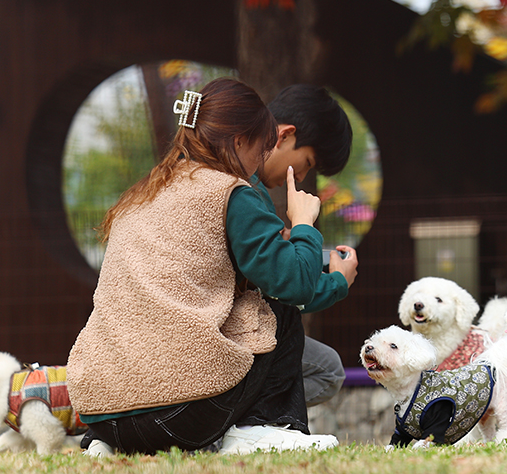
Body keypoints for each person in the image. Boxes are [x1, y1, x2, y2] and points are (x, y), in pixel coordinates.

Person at [67, 78, 351, 455]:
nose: (259, 162)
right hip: (181, 409)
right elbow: (291, 283)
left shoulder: (145, 191)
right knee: (273, 308)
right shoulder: (233, 193)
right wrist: (304, 226)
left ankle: (107, 445)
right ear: (238, 142)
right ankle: (263, 427)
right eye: (259, 147)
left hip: (104, 413)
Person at [258, 84, 359, 408]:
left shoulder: (249, 189)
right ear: (284, 135)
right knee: (328, 370)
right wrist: (337, 281)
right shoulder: (244, 192)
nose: (301, 176)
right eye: (307, 162)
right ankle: (252, 421)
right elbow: (289, 288)